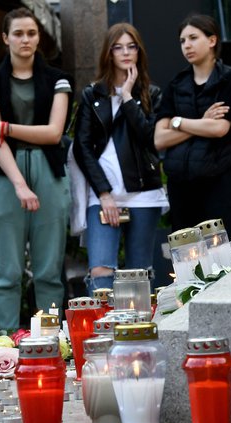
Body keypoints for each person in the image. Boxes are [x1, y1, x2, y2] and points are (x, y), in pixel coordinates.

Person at [0, 7, 74, 330]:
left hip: (49, 170)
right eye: (18, 33)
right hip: (5, 172)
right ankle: (5, 345)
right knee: (7, 270)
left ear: (39, 37)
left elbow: (53, 133)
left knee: (49, 269)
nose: (25, 39)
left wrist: (5, 126)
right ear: (6, 38)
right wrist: (19, 183)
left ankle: (49, 342)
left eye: (31, 33)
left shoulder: (58, 79)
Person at [73, 23, 168, 294]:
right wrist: (103, 192)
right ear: (109, 52)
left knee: (139, 273)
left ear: (139, 51)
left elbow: (150, 139)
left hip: (143, 193)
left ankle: (139, 334)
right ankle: (103, 334)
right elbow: (82, 147)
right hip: (104, 195)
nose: (125, 52)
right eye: (118, 47)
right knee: (101, 271)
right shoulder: (93, 94)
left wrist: (127, 96)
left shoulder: (151, 94)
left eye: (131, 46)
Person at [154, 14, 231, 240]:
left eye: (193, 38)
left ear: (212, 40)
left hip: (218, 181)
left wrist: (178, 122)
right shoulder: (176, 85)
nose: (187, 45)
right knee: (188, 260)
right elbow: (159, 139)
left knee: (226, 253)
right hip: (181, 187)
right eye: (182, 41)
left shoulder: (230, 78)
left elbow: (219, 129)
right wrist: (201, 121)